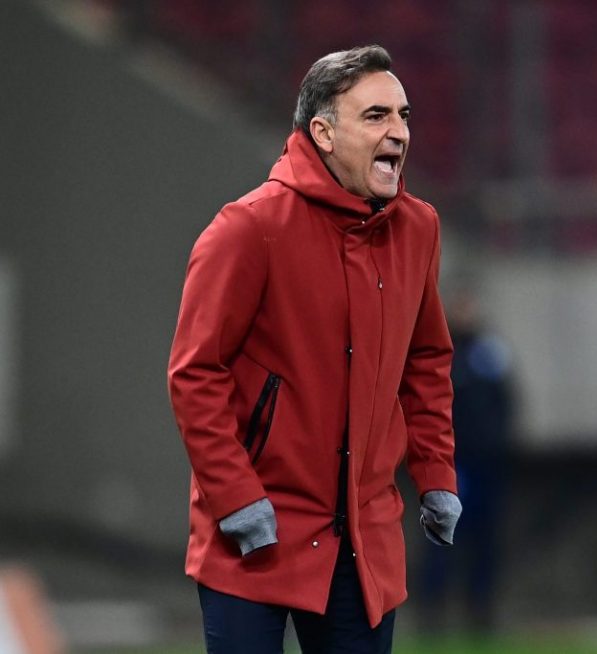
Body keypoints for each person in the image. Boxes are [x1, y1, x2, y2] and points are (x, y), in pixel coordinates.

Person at [167, 45, 461, 654]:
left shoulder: (419, 229)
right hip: (255, 532)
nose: (399, 132)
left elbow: (426, 361)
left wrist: (435, 472)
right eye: (376, 116)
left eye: (404, 116)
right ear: (323, 134)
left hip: (365, 537)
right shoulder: (248, 228)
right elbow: (196, 374)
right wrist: (237, 498)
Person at [418, 288, 515, 633]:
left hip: (487, 462)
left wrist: (501, 445)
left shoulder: (491, 353)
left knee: (485, 540)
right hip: (453, 463)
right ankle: (434, 609)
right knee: (443, 537)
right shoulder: (441, 354)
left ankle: (480, 607)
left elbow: (507, 402)